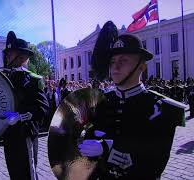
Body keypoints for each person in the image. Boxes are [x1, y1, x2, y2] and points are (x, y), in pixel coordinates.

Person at [78, 33, 186, 179]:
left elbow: (153, 165)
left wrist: (109, 149)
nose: (115, 67)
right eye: (112, 61)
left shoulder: (160, 107)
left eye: (124, 60)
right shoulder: (101, 102)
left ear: (142, 67)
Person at [2, 31, 49, 180]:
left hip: (24, 135)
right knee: (14, 174)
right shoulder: (4, 78)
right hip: (9, 136)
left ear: (22, 57)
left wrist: (20, 117)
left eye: (11, 53)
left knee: (27, 175)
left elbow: (42, 109)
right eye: (7, 53)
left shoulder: (33, 80)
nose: (7, 56)